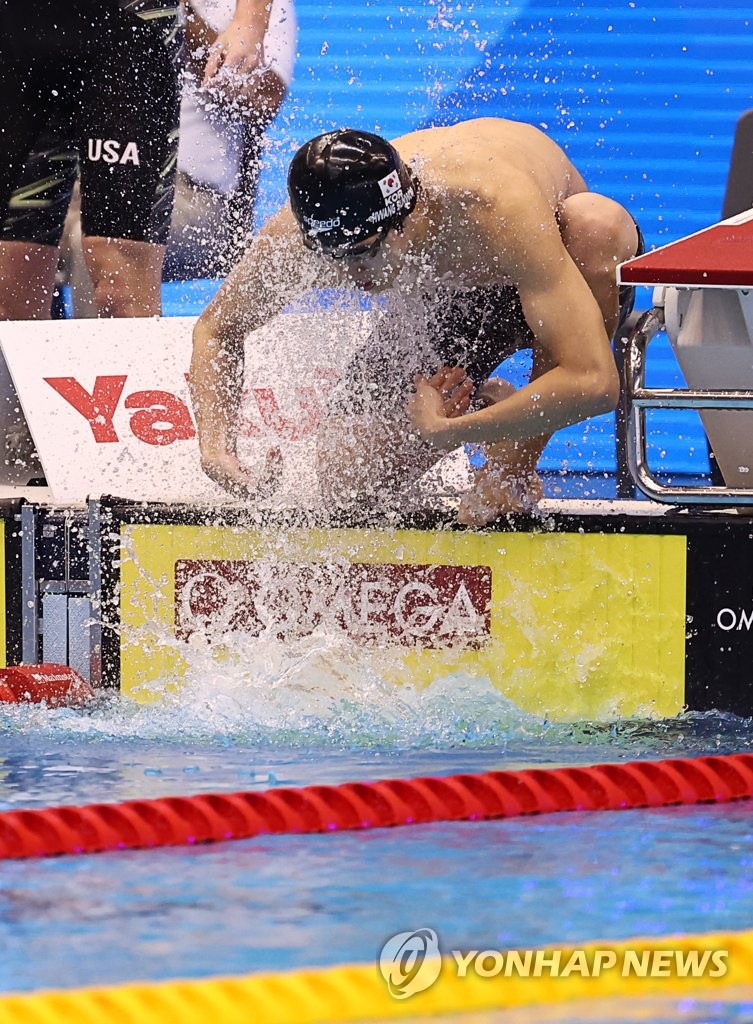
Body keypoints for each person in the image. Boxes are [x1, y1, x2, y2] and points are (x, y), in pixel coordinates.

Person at [190, 117, 643, 525]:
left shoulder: (489, 203)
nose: (352, 276)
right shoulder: (301, 233)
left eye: (365, 253)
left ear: (403, 220)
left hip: (555, 265)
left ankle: (514, 464)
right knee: (348, 482)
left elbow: (593, 382)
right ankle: (487, 402)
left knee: (595, 224)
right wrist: (216, 450)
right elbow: (216, 330)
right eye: (333, 259)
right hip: (453, 295)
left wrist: (453, 432)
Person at [0, 0, 280, 320]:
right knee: (8, 295)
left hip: (131, 26)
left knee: (122, 288)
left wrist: (250, 21)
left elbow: (266, 96)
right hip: (17, 29)